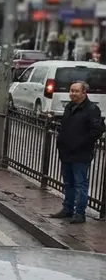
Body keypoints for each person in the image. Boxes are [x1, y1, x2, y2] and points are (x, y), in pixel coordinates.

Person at [49, 81, 105, 224]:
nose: (72, 94)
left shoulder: (92, 109)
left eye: (76, 91)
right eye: (71, 91)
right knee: (68, 182)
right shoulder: (70, 107)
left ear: (84, 93)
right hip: (66, 151)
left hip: (81, 153)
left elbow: (97, 131)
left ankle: (79, 213)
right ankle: (67, 208)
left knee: (80, 183)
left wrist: (80, 143)